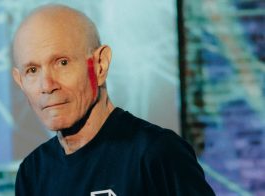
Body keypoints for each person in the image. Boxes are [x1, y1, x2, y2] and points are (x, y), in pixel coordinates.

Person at [12, 4, 215, 196]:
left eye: (62, 63)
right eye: (32, 70)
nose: (47, 85)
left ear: (100, 65)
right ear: (20, 82)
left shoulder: (157, 153)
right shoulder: (33, 173)